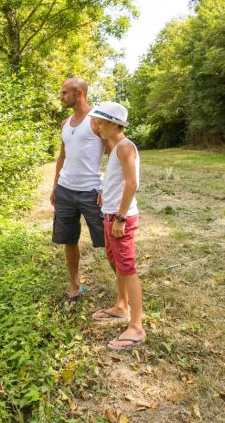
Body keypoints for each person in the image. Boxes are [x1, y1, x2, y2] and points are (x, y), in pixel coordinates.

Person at [87, 101, 145, 351]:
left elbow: (132, 183)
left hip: (120, 218)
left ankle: (137, 326)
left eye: (100, 122)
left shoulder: (125, 147)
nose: (97, 127)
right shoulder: (116, 148)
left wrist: (121, 218)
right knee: (115, 262)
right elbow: (116, 179)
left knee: (127, 267)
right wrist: (104, 191)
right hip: (109, 214)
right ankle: (121, 306)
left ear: (113, 123)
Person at [51, 77, 110, 306]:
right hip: (65, 191)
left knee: (108, 241)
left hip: (90, 191)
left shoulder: (97, 121)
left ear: (80, 94)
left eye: (65, 93)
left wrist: (106, 187)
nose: (61, 97)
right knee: (69, 239)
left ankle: (124, 294)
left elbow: (114, 154)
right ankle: (75, 287)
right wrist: (55, 186)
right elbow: (62, 156)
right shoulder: (65, 123)